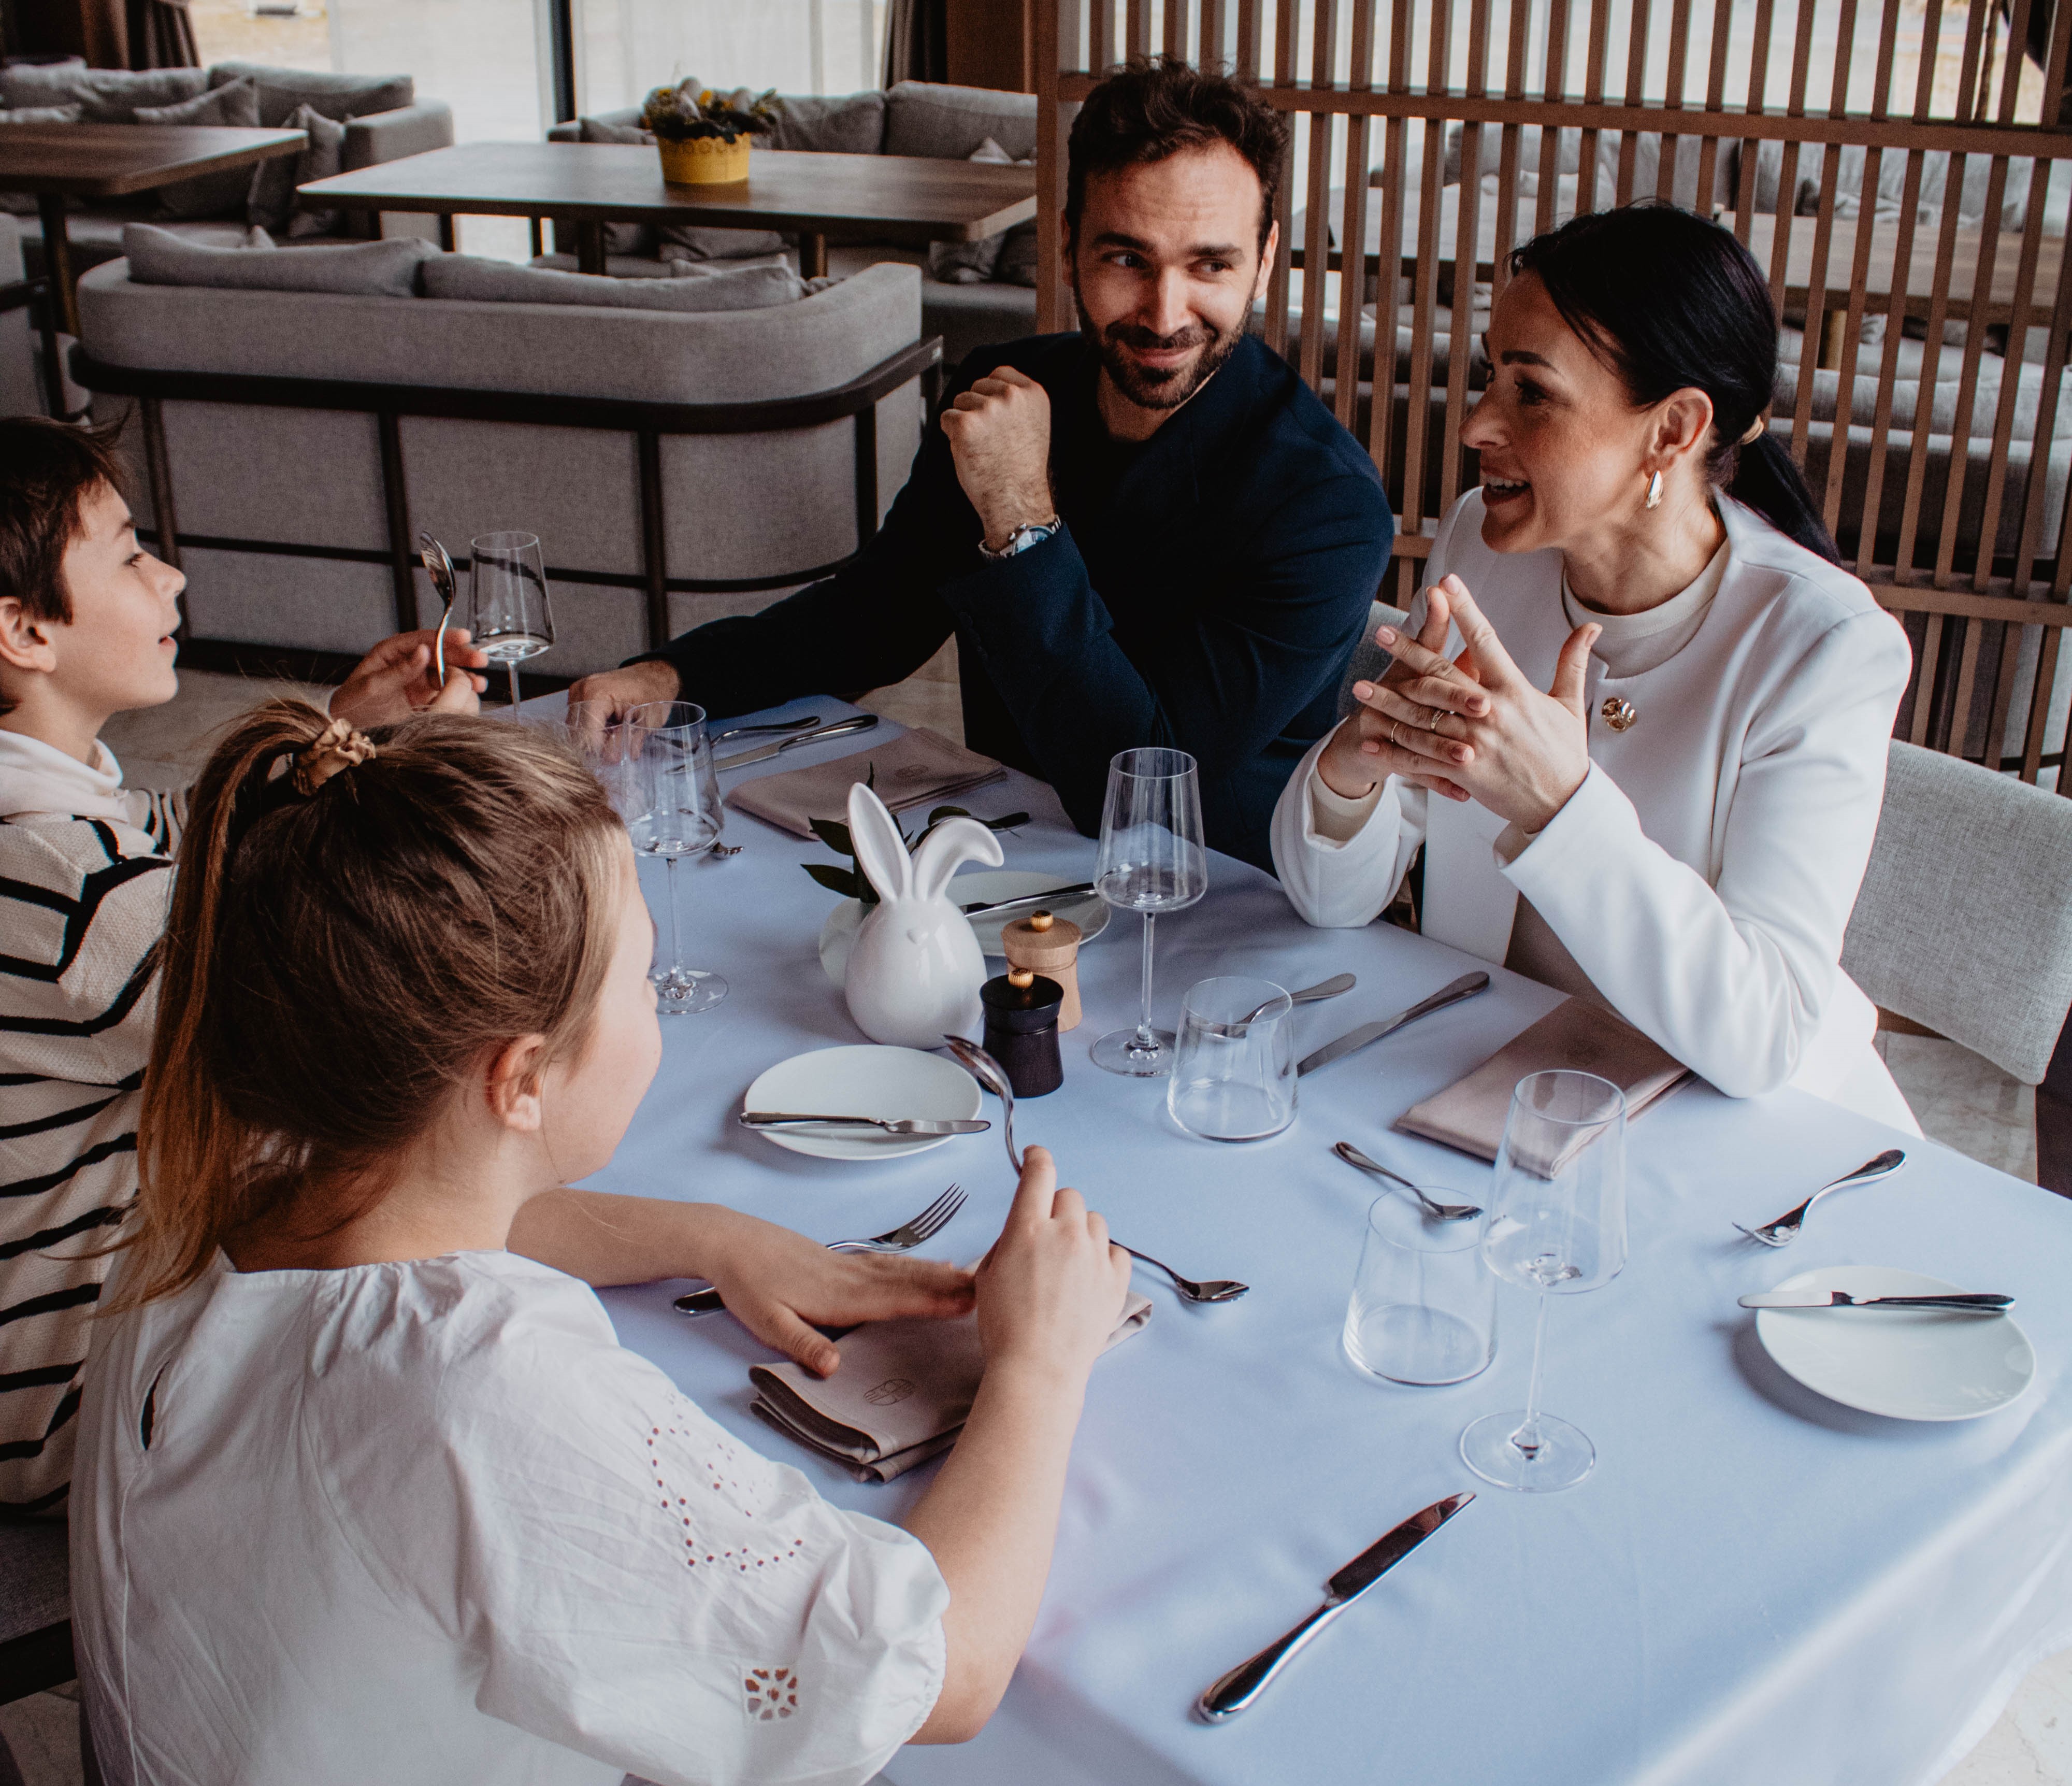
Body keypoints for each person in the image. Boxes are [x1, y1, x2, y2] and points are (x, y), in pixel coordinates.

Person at [70, 703, 1133, 1784]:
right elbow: (935, 1671)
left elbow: (438, 1215)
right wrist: (1039, 1363)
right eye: (641, 978)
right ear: (520, 1078)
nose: (654, 1007)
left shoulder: (222, 1177)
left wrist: (711, 1236)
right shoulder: (478, 1386)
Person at [0, 418, 963, 1518]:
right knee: (562, 1435)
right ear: (25, 627)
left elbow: (181, 836)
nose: (167, 570)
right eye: (127, 551)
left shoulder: (58, 816)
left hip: (171, 1258)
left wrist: (335, 732)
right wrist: (403, 790)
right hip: (90, 1386)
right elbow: (356, 983)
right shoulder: (56, 881)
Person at [565, 58, 1394, 870]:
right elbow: (874, 616)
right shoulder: (1009, 388)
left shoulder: (1326, 506)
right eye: (1126, 258)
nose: (1165, 313)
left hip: (1216, 907)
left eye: (1210, 264)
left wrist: (1020, 514)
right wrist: (670, 675)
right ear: (1066, 243)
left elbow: (1133, 786)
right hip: (1008, 854)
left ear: (1265, 254)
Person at [1271, 203, 1918, 1128]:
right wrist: (1355, 769)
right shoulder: (1483, 546)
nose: (1478, 425)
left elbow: (1763, 1034)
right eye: (1491, 377)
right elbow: (1331, 903)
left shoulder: (1822, 649)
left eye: (1532, 392)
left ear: (1674, 429)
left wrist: (1558, 805)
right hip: (1486, 1085)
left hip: (1738, 1137)